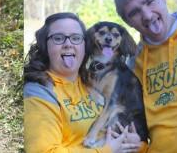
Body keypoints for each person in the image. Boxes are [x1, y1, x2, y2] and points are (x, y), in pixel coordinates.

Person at [24, 12, 143, 152]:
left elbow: (135, 142)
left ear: (85, 44)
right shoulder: (39, 91)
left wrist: (137, 145)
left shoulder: (91, 81)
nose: (68, 44)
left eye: (76, 38)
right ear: (45, 45)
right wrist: (107, 150)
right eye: (58, 38)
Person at [114, 0, 177, 152]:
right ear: (128, 23)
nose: (147, 15)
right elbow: (139, 124)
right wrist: (140, 146)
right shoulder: (134, 63)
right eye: (135, 12)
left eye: (150, 2)